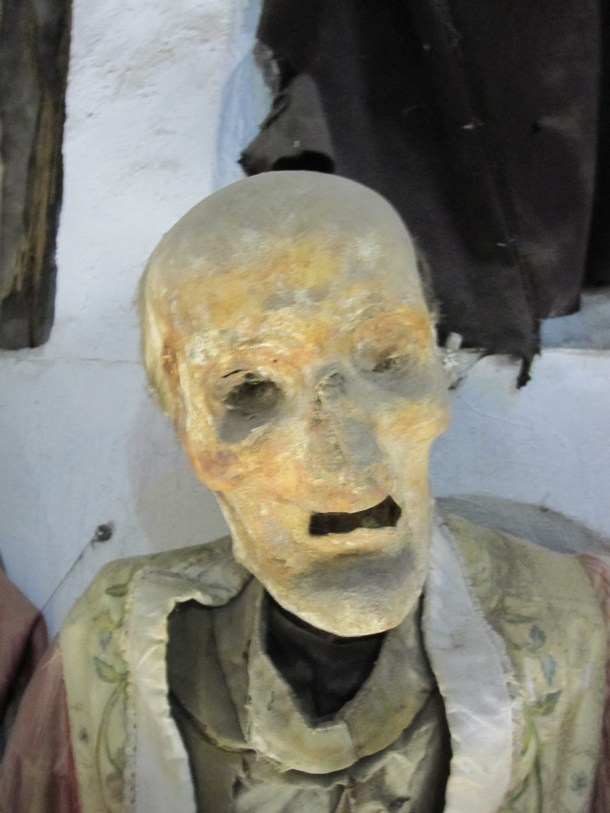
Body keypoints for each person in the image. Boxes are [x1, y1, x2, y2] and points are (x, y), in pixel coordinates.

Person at [1, 172, 609, 813]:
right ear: (187, 431)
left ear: (437, 364)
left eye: (385, 358)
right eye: (250, 389)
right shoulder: (112, 649)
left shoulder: (582, 632)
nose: (344, 458)